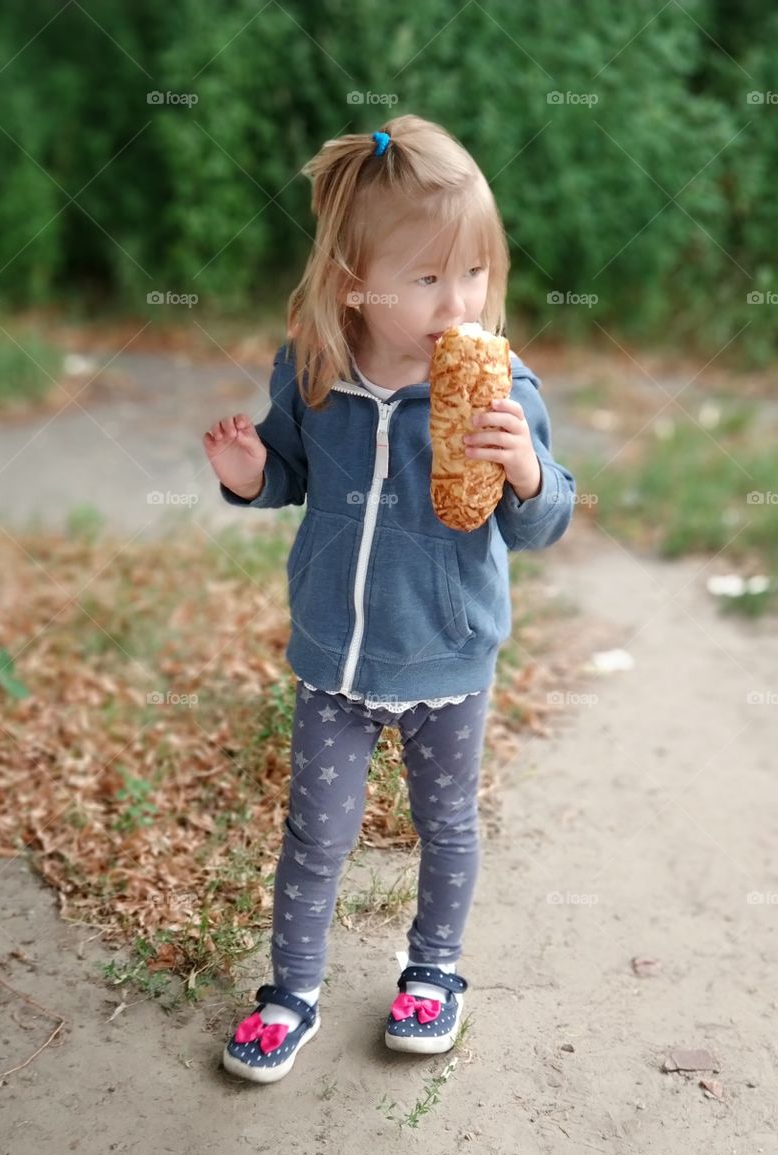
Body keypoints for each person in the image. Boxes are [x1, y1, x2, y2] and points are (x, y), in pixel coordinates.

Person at [203, 114, 576, 1084]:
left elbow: (541, 523)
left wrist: (527, 471)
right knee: (314, 829)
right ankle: (291, 989)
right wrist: (248, 470)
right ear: (352, 283)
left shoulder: (506, 390)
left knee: (445, 822)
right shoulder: (316, 371)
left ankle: (433, 971)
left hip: (448, 654)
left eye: (476, 275)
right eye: (427, 278)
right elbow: (288, 471)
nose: (460, 303)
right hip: (334, 652)